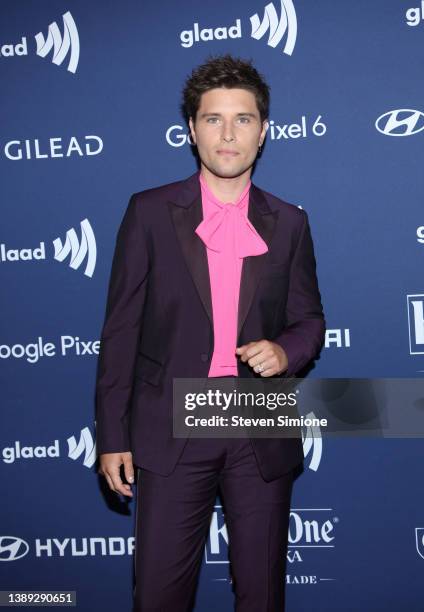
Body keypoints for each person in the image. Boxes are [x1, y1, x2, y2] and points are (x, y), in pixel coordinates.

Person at [95, 54, 325, 611]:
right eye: (213, 119)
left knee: (262, 595)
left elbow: (310, 320)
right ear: (192, 130)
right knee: (159, 595)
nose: (228, 134)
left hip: (257, 420)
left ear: (263, 131)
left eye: (243, 119)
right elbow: (120, 330)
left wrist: (284, 349)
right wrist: (112, 436)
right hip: (173, 423)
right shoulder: (149, 212)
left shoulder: (290, 222)